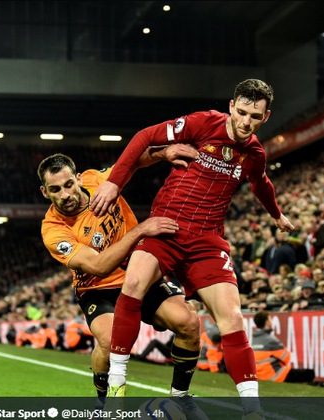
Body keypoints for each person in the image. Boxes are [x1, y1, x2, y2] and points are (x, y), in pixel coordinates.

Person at [90, 79, 294, 416]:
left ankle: (252, 409)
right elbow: (145, 136)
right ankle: (117, 382)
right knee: (134, 283)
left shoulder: (254, 152)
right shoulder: (204, 122)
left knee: (232, 317)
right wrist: (114, 183)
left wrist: (277, 215)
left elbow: (260, 183)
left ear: (265, 117)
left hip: (207, 240)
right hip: (166, 226)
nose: (245, 122)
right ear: (232, 106)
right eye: (241, 112)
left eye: (254, 117)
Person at [38, 148, 206, 415]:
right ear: (45, 192)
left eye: (69, 184)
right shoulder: (53, 230)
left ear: (79, 179)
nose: (65, 195)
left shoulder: (97, 180)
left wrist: (165, 152)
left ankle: (180, 396)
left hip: (139, 273)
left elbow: (134, 160)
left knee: (188, 322)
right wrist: (140, 230)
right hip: (98, 288)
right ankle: (103, 404)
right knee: (111, 339)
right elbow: (99, 266)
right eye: (55, 189)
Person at [252, 311, 315, 383]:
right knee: (309, 373)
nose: (272, 321)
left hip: (259, 375)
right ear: (267, 322)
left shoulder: (254, 339)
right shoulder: (271, 340)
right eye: (270, 319)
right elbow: (287, 358)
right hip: (274, 375)